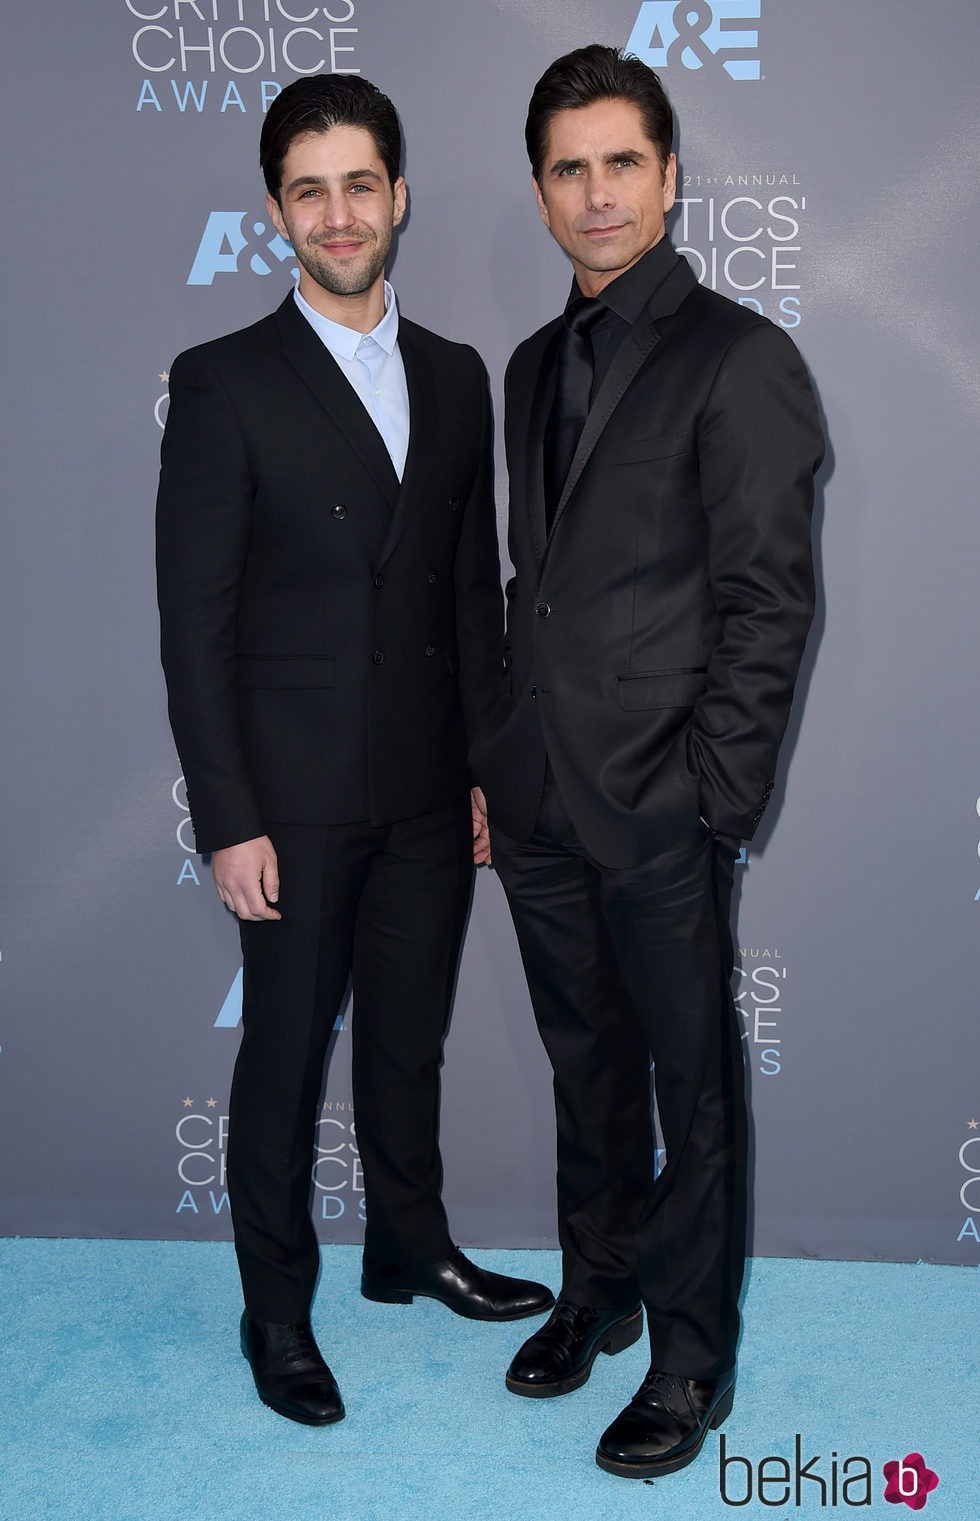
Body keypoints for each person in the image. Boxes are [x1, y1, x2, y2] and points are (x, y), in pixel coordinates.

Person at [155, 72, 552, 1429]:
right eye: (309, 189)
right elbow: (191, 624)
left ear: (400, 197)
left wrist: (485, 768)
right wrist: (228, 814)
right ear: (277, 209)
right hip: (293, 801)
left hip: (431, 790)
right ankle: (276, 1313)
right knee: (283, 1054)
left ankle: (408, 1243)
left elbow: (467, 597)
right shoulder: (221, 384)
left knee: (406, 1038)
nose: (338, 213)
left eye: (359, 184)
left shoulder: (452, 375)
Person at [474, 45, 823, 1479]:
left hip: (666, 802)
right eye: (570, 167)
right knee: (584, 1062)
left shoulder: (742, 357)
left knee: (690, 1080)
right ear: (543, 192)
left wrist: (712, 801)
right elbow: (532, 585)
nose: (597, 193)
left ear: (671, 177)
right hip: (543, 792)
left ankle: (689, 1355)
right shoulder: (529, 365)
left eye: (623, 162)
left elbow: (769, 600)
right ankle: (599, 1287)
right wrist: (498, 758)